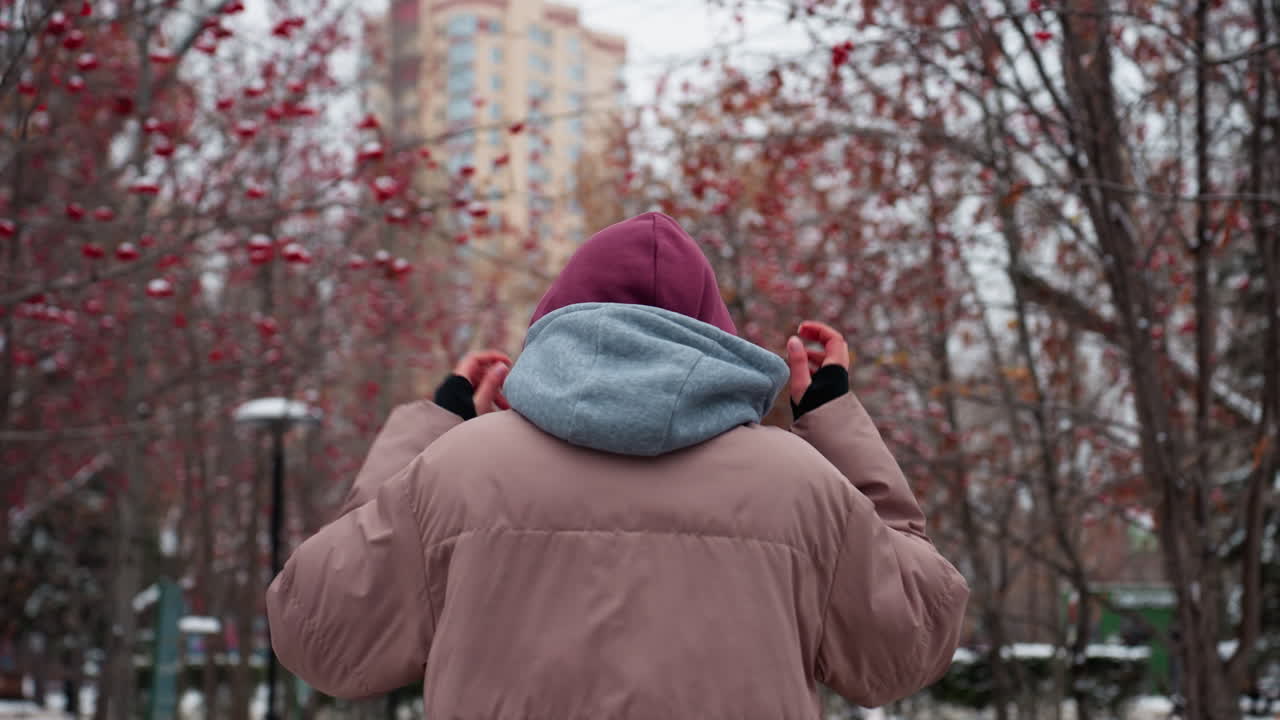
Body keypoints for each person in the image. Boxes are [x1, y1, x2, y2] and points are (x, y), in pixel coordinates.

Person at [266, 212, 969, 717]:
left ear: (557, 320)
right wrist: (833, 417)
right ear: (715, 335)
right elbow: (911, 639)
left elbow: (321, 631)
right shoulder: (802, 483)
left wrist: (436, 425)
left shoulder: (454, 472)